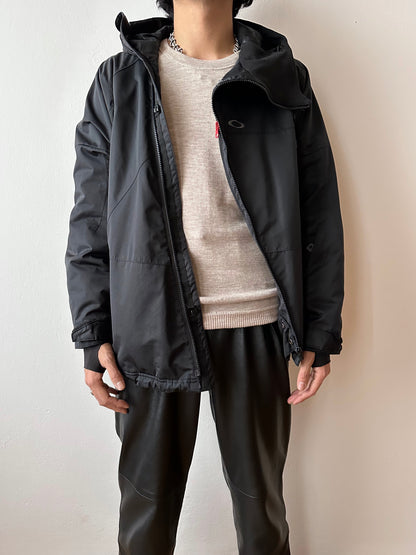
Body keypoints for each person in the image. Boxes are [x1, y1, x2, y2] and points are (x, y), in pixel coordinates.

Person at [64, 0, 344, 553]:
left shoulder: (279, 75)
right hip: (150, 323)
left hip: (257, 319)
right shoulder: (120, 81)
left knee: (263, 517)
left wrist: (320, 327)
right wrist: (91, 332)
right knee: (145, 521)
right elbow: (91, 217)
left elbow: (318, 209)